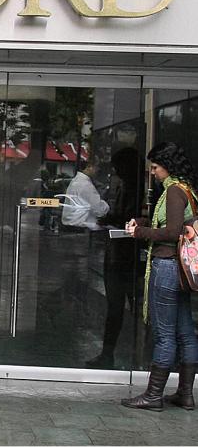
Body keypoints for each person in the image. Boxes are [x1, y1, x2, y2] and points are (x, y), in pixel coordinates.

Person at [122, 142, 198, 411]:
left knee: (165, 335)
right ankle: (185, 395)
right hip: (180, 269)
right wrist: (142, 223)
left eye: (155, 167)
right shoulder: (186, 189)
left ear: (168, 166)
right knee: (185, 332)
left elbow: (172, 232)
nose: (152, 172)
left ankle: (153, 396)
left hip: (167, 267)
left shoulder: (174, 192)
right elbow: (170, 226)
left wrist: (138, 233)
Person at [85, 147, 140, 369]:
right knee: (117, 307)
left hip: (125, 257)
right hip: (120, 255)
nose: (115, 172)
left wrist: (108, 218)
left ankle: (115, 354)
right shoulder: (125, 187)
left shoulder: (133, 189)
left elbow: (126, 218)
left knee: (119, 307)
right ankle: (109, 354)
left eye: (118, 167)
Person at [61, 160, 110, 230]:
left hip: (73, 225)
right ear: (89, 167)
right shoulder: (85, 184)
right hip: (81, 227)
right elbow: (99, 210)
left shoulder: (76, 181)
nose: (98, 170)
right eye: (96, 167)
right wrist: (107, 206)